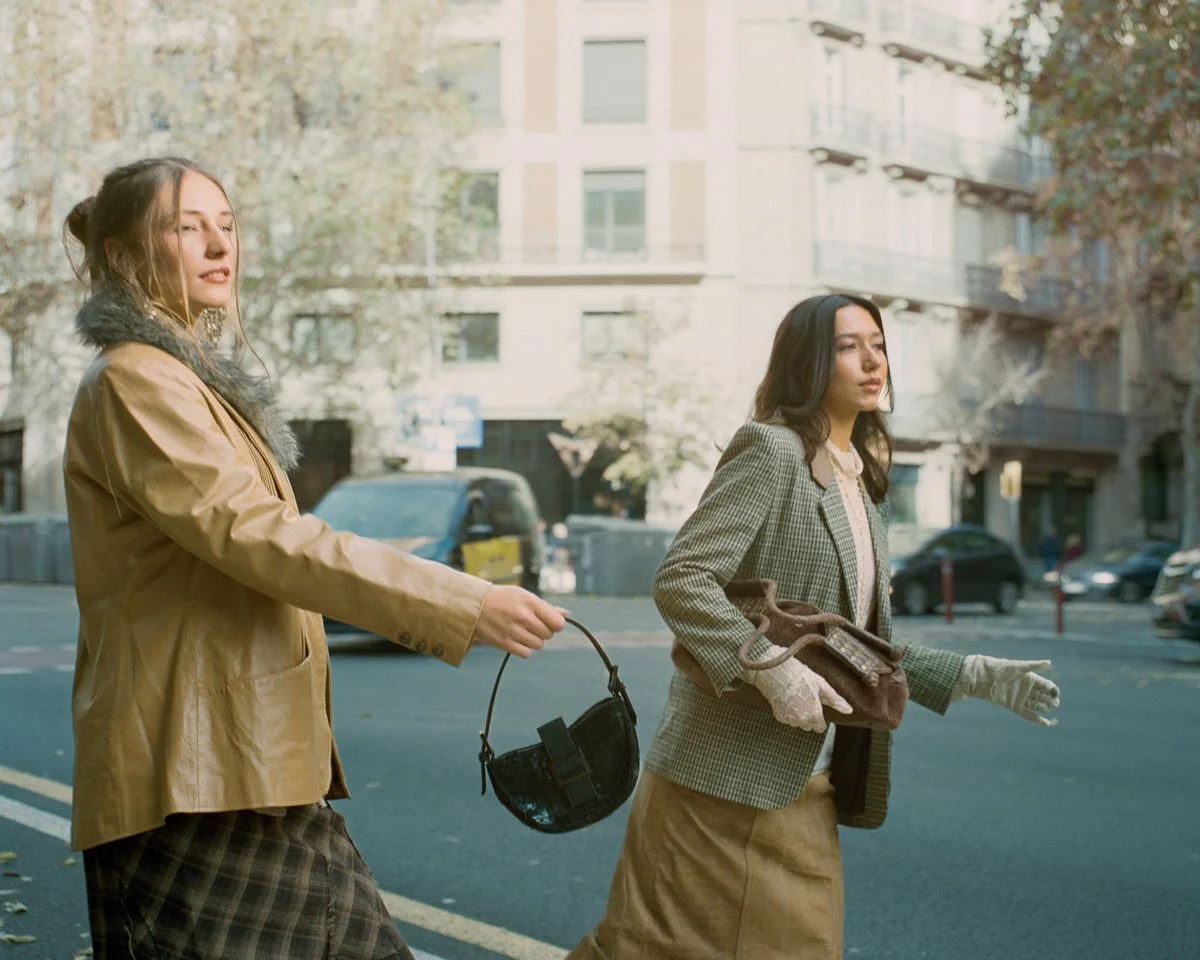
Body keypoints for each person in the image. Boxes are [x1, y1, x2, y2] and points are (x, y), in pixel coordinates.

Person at [61, 157, 566, 959]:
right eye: (186, 227)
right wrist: (461, 602)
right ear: (123, 257)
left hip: (256, 770)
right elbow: (259, 536)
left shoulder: (189, 382)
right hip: (192, 782)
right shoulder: (137, 381)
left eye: (226, 225)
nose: (217, 244)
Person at [567, 294, 1062, 960]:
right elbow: (683, 578)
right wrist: (768, 668)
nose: (871, 360)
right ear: (808, 361)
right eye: (848, 345)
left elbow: (845, 646)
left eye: (879, 344)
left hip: (801, 784)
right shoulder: (769, 453)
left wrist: (972, 677)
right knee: (648, 949)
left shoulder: (860, 485)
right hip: (714, 784)